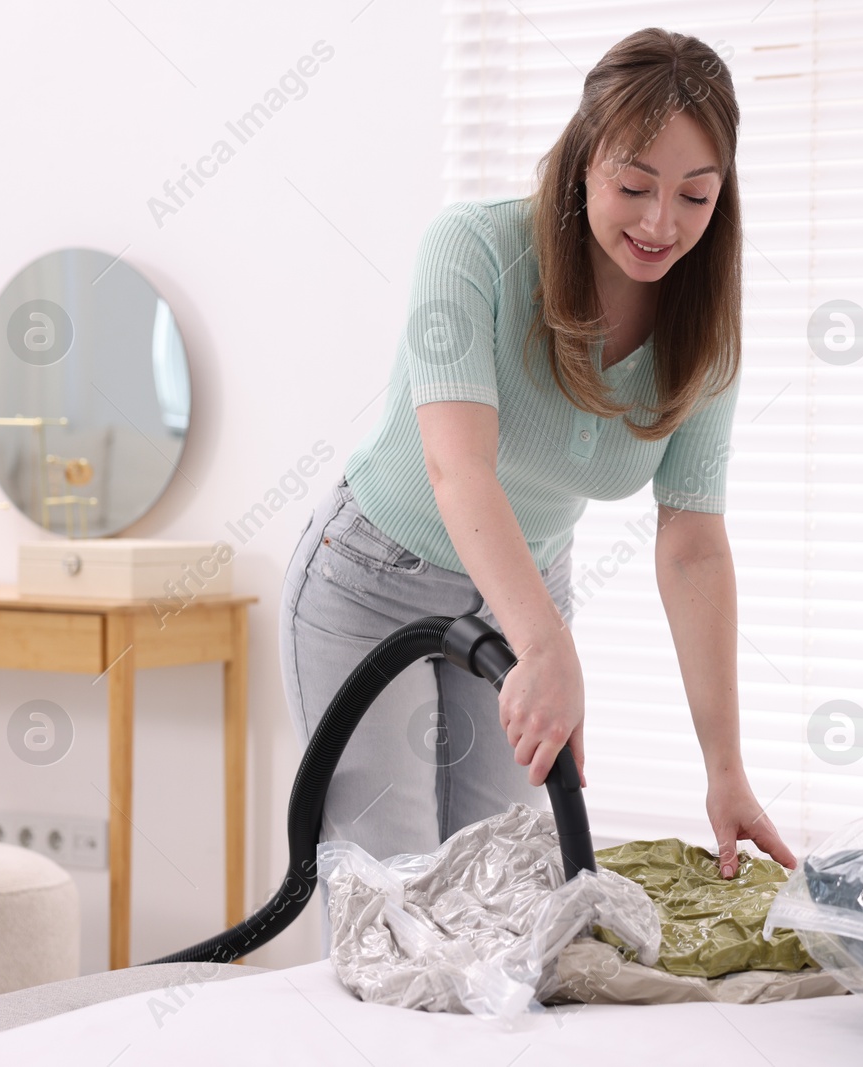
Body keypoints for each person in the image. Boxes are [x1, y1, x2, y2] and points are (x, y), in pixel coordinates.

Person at [279, 28, 795, 944]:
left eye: (695, 196)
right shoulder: (472, 250)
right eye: (634, 186)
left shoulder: (702, 326)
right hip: (372, 581)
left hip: (519, 593)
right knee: (390, 903)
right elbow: (457, 465)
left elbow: (692, 542)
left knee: (501, 903)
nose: (660, 224)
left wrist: (725, 767)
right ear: (582, 158)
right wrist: (547, 647)